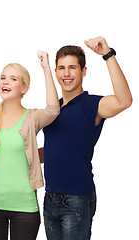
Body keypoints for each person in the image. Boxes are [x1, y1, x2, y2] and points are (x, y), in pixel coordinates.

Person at [42, 36, 132, 240]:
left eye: (72, 67)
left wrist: (108, 55)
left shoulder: (93, 105)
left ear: (83, 71)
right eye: (61, 68)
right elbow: (54, 150)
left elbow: (124, 101)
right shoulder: (53, 109)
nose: (66, 73)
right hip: (50, 197)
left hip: (77, 198)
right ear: (55, 72)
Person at [0, 51, 60, 240]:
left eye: (13, 79)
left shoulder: (32, 118)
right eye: (3, 78)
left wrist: (47, 68)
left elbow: (53, 110)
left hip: (24, 207)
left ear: (24, 88)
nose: (5, 82)